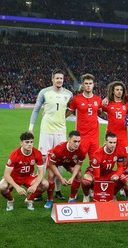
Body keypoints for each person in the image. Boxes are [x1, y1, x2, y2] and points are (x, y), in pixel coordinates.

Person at [29, 68, 73, 201]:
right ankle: (40, 190)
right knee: (43, 161)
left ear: (63, 80)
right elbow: (36, 110)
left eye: (61, 78)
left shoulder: (69, 94)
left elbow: (72, 108)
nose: (59, 80)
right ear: (52, 79)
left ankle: (58, 191)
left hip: (60, 132)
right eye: (57, 78)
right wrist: (31, 128)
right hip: (46, 131)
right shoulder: (44, 92)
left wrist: (62, 117)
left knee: (58, 161)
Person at [0, 132, 49, 211]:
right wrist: (17, 187)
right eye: (27, 142)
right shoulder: (14, 155)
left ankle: (29, 200)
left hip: (28, 177)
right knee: (2, 187)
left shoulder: (37, 153)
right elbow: (6, 174)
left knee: (45, 184)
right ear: (21, 143)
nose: (30, 144)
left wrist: (35, 185)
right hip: (14, 176)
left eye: (31, 142)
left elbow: (41, 173)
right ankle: (10, 200)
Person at [66, 73, 103, 160]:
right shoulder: (76, 99)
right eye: (86, 83)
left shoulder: (98, 99)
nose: (88, 85)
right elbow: (67, 113)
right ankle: (76, 174)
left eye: (90, 83)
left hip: (94, 136)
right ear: (82, 85)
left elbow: (101, 112)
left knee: (94, 161)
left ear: (93, 85)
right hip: (81, 136)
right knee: (78, 161)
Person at [81, 132, 126, 202]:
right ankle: (86, 196)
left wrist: (116, 175)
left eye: (114, 142)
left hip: (108, 173)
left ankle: (112, 194)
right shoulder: (98, 154)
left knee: (123, 179)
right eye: (110, 142)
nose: (113, 145)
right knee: (86, 182)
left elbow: (120, 167)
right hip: (95, 173)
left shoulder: (119, 150)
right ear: (105, 142)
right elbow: (97, 176)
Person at [45, 131, 86, 205]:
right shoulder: (59, 149)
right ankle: (49, 200)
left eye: (79, 141)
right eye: (75, 141)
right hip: (55, 161)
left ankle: (72, 199)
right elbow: (51, 164)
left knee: (78, 175)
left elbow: (78, 165)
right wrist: (61, 178)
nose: (77, 144)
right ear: (69, 140)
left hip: (68, 161)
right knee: (51, 176)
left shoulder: (82, 150)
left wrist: (72, 177)